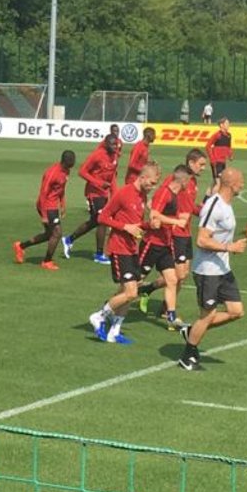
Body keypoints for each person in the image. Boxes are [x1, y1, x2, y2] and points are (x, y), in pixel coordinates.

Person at [178, 167, 247, 371]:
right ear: (232, 184)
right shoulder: (214, 206)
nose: (243, 184)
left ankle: (192, 330)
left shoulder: (227, 205)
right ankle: (188, 355)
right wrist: (230, 247)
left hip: (223, 269)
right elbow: (201, 239)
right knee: (207, 315)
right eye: (241, 181)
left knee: (236, 311)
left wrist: (230, 247)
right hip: (207, 271)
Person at [87, 162, 161, 344]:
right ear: (142, 177)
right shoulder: (124, 193)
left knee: (129, 291)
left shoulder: (142, 196)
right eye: (151, 183)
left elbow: (135, 225)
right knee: (130, 292)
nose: (153, 187)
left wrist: (148, 225)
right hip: (119, 248)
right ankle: (99, 316)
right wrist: (124, 227)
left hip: (132, 249)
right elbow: (102, 217)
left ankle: (114, 331)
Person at [135, 165, 192, 330]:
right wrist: (176, 222)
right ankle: (111, 306)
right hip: (152, 244)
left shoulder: (174, 195)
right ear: (183, 180)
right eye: (189, 180)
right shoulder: (165, 193)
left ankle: (171, 317)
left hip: (165, 245)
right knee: (134, 282)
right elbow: (154, 215)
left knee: (172, 280)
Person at [14, 150, 75, 270]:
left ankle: (20, 246)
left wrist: (62, 204)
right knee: (57, 233)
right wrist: (44, 215)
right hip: (46, 206)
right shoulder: (52, 173)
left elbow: (61, 189)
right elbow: (43, 193)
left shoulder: (66, 170)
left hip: (53, 206)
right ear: (65, 161)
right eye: (71, 162)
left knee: (49, 235)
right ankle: (47, 261)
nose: (73, 164)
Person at [62, 133, 119, 264]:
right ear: (106, 144)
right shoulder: (97, 155)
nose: (115, 147)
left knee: (94, 221)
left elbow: (112, 177)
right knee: (102, 220)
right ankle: (99, 255)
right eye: (112, 144)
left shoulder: (115, 156)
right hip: (93, 193)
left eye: (116, 144)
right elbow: (82, 171)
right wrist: (98, 183)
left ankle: (69, 240)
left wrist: (114, 194)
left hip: (104, 194)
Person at [204, 117, 233, 191]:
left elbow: (229, 147)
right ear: (221, 125)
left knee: (215, 183)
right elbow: (208, 146)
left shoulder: (229, 135)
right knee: (219, 183)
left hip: (223, 161)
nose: (228, 125)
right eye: (227, 123)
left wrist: (230, 155)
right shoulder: (217, 135)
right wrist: (212, 158)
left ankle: (205, 201)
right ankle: (214, 201)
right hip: (216, 162)